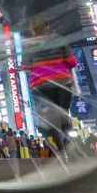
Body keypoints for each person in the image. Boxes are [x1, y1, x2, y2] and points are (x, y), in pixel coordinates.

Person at [23, 19, 77, 155]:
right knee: (64, 114)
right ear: (47, 27)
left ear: (32, 30)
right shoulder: (58, 39)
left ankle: (61, 149)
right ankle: (69, 142)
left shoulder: (30, 45)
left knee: (51, 119)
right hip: (62, 82)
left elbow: (26, 66)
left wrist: (36, 67)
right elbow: (71, 61)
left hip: (41, 84)